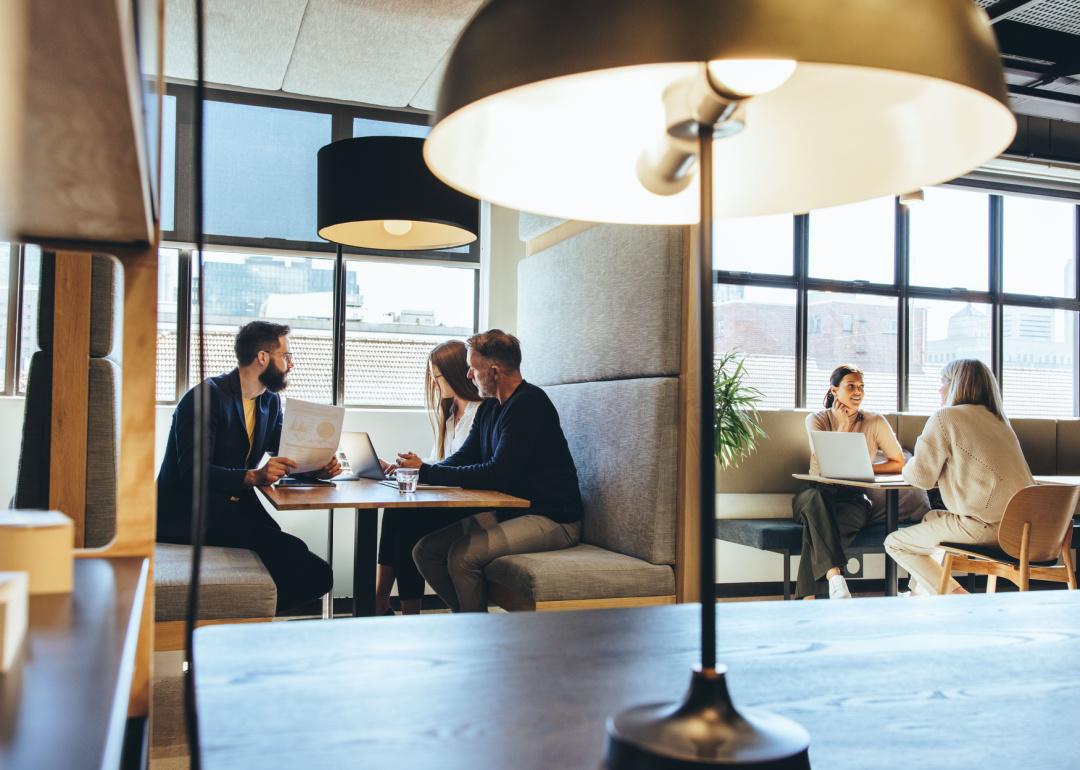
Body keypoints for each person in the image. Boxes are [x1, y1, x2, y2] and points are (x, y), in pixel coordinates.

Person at [156, 321, 338, 613]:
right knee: (310, 571)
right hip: (190, 514)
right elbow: (193, 472)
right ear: (263, 357)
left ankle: (252, 625)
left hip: (233, 507)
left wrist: (317, 467)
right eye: (286, 356)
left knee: (307, 567)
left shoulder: (269, 401)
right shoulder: (206, 398)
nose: (291, 364)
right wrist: (254, 476)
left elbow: (285, 450)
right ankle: (244, 625)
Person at [405, 329, 583, 612]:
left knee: (462, 556)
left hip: (552, 518)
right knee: (426, 551)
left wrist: (428, 473)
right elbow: (466, 456)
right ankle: (471, 621)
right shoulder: (490, 407)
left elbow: (497, 473)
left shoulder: (529, 404)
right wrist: (420, 470)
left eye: (473, 369)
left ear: (494, 371)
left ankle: (477, 634)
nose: (468, 376)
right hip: (515, 513)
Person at [885, 359, 1033, 596]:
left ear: (955, 385)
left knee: (895, 543)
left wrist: (906, 462)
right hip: (1023, 529)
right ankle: (919, 596)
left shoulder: (945, 418)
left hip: (986, 527)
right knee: (931, 517)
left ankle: (957, 597)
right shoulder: (1000, 422)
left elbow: (920, 478)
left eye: (943, 381)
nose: (939, 388)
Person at [374, 340, 483, 615]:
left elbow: (465, 468)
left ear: (458, 373)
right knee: (395, 509)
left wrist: (423, 468)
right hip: (449, 496)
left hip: (470, 502)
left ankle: (406, 610)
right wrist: (404, 468)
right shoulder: (448, 416)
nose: (435, 385)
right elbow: (440, 463)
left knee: (408, 517)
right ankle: (380, 599)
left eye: (438, 378)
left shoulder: (480, 412)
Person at [793, 364, 915, 600]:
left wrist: (865, 467)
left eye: (861, 387)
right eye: (851, 386)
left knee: (819, 529)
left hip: (854, 499)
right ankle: (835, 579)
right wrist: (842, 425)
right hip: (816, 493)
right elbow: (826, 460)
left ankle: (813, 596)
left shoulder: (875, 421)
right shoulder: (816, 420)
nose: (857, 391)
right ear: (834, 390)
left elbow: (899, 462)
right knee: (816, 503)